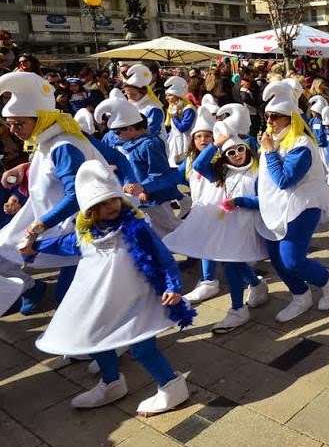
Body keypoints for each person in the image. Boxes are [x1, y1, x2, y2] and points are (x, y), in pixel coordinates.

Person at [22, 160, 191, 415]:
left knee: (142, 349)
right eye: (102, 203)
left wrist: (173, 287)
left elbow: (164, 259)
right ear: (90, 210)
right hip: (104, 301)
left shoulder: (137, 229)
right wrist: (32, 246)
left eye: (114, 199)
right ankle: (112, 383)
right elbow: (60, 245)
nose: (111, 206)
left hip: (138, 301)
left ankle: (172, 387)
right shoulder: (84, 236)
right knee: (95, 338)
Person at [0, 72, 104, 313]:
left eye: (19, 124)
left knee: (69, 299)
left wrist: (37, 228)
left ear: (41, 119)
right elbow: (48, 176)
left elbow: (75, 195)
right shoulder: (48, 139)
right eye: (9, 124)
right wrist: (24, 171)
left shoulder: (63, 145)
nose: (13, 130)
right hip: (56, 223)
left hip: (74, 228)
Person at [163, 121, 269, 332]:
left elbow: (266, 200)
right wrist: (216, 143)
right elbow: (199, 165)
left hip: (248, 226)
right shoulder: (222, 173)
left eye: (240, 149)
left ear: (247, 149)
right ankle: (256, 286)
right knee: (233, 262)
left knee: (231, 264)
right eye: (231, 152)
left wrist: (241, 201)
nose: (237, 155)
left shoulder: (258, 172)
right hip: (227, 226)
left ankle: (238, 309)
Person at [258, 81, 329, 323]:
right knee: (276, 258)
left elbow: (284, 180)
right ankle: (300, 295)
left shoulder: (301, 145)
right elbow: (265, 178)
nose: (270, 121)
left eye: (276, 116)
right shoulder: (274, 139)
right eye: (267, 116)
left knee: (292, 260)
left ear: (291, 118)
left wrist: (269, 151)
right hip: (276, 207)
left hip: (303, 206)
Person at [95, 90, 185, 238]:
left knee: (169, 227)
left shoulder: (149, 145)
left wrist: (145, 189)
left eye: (117, 132)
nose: (116, 136)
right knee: (149, 231)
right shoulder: (128, 143)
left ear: (130, 129)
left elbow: (159, 173)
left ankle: (189, 246)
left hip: (153, 197)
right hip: (134, 196)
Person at [164, 76, 196, 167]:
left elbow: (183, 128)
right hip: (174, 140)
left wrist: (174, 116)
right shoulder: (173, 107)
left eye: (170, 95)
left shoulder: (188, 109)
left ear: (177, 96)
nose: (167, 98)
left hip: (185, 141)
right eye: (166, 95)